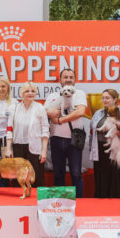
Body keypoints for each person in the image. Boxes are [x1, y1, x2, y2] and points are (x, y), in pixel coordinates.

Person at [45, 69, 87, 197]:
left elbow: (80, 112)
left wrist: (59, 120)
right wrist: (50, 113)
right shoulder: (52, 96)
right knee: (58, 173)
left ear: (75, 80)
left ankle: (79, 202)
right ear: (60, 80)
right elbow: (44, 112)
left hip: (74, 139)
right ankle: (60, 204)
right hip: (56, 139)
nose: (68, 79)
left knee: (76, 173)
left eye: (71, 77)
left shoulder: (79, 94)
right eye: (65, 77)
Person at [89, 89, 120, 198]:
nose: (104, 100)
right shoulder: (97, 114)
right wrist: (91, 149)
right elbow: (92, 132)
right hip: (99, 151)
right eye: (103, 98)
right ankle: (100, 202)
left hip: (115, 152)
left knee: (115, 180)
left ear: (115, 99)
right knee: (100, 179)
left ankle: (114, 204)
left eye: (107, 98)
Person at [6, 81, 49, 187]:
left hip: (35, 147)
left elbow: (45, 130)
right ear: (22, 93)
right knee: (19, 178)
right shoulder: (13, 108)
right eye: (27, 91)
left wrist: (44, 151)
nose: (30, 93)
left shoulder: (40, 108)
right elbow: (9, 129)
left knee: (36, 177)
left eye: (33, 91)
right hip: (18, 147)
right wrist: (8, 149)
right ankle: (18, 197)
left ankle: (36, 197)